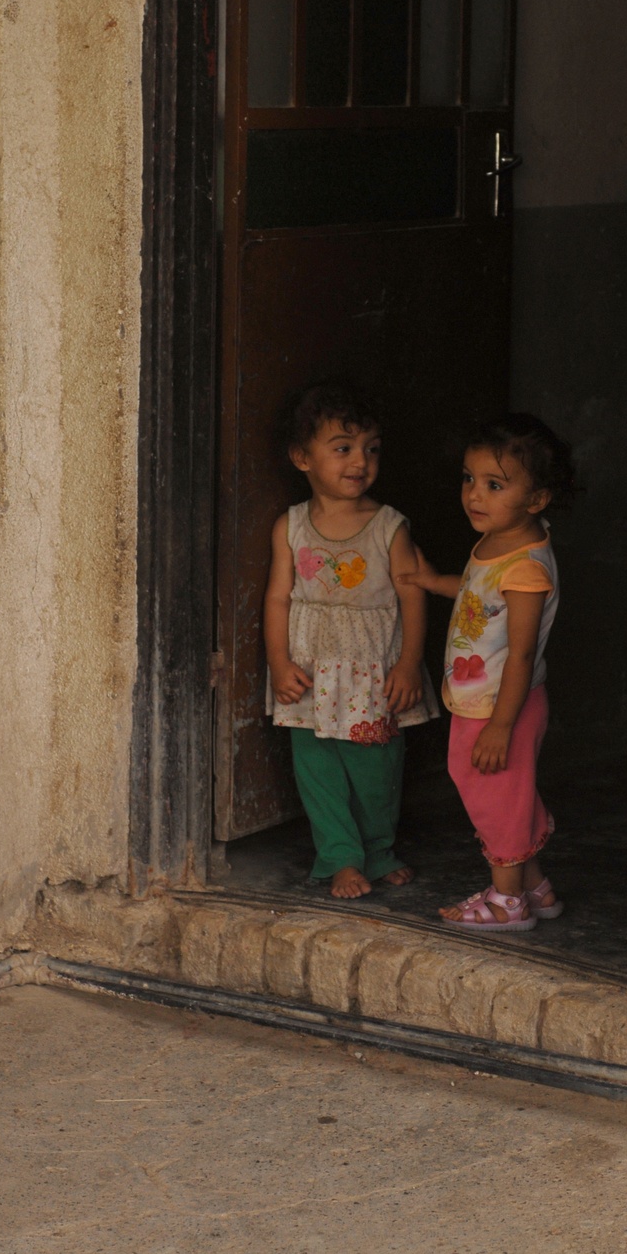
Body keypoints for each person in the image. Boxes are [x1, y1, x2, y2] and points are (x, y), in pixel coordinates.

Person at [264, 382, 440, 899]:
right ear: (303, 457)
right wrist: (278, 662)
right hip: (309, 670)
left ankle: (379, 850)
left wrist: (409, 664)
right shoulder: (291, 526)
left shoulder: (388, 527)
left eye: (371, 448)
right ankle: (339, 858)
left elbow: (413, 597)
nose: (360, 461)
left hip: (372, 671)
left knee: (375, 771)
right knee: (317, 770)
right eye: (343, 448)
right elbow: (278, 598)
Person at [401, 412, 575, 931]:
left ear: (536, 499)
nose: (475, 494)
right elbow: (481, 598)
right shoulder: (500, 543)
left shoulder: (526, 569)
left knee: (497, 800)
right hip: (480, 701)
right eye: (469, 479)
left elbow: (520, 656)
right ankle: (536, 887)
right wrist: (435, 581)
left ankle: (508, 904)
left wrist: (501, 725)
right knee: (506, 795)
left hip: (504, 707)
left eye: (495, 485)